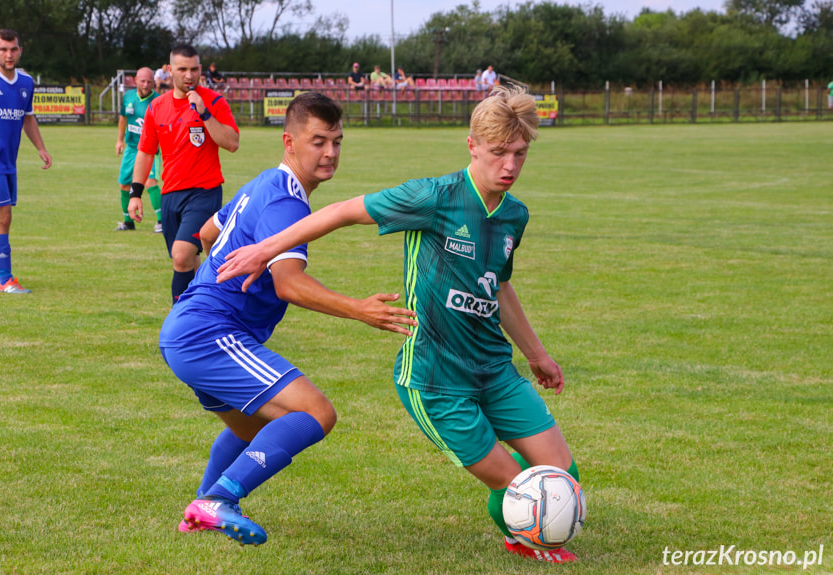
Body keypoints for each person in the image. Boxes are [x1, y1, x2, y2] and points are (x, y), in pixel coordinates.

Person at [216, 84, 581, 563]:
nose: (509, 166)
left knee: (563, 476)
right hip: (436, 379)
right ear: (472, 146)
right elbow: (343, 211)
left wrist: (536, 354)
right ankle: (524, 534)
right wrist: (267, 249)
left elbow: (500, 286)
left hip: (494, 370)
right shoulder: (433, 197)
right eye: (498, 153)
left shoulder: (514, 215)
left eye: (519, 153)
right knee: (519, 485)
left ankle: (530, 515)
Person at [159, 91, 417, 545]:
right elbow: (289, 284)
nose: (331, 152)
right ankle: (218, 500)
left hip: (188, 330)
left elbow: (207, 232)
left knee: (253, 427)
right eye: (318, 141)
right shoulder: (287, 204)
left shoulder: (263, 184)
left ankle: (199, 508)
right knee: (316, 413)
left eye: (337, 141)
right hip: (209, 332)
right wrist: (360, 309)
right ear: (289, 141)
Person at [128, 43, 239, 304]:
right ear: (169, 71)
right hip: (170, 194)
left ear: (200, 69)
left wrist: (204, 113)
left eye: (193, 69)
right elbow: (145, 153)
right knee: (189, 261)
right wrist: (135, 194)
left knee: (180, 255)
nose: (189, 76)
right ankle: (209, 311)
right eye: (182, 69)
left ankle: (179, 322)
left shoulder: (214, 101)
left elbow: (232, 143)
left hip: (205, 192)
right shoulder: (156, 107)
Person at [0, 29, 52, 294]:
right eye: (3, 49)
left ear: (20, 50)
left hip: (7, 162)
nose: (9, 54)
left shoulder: (26, 82)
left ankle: (5, 279)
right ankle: (5, 280)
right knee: (3, 216)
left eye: (13, 49)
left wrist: (40, 147)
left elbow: (27, 117)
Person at [115, 67, 162, 232]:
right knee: (124, 184)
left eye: (149, 81)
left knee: (150, 182)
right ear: (135, 80)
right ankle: (128, 222)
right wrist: (119, 140)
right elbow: (123, 119)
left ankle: (162, 222)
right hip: (131, 148)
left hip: (149, 149)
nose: (146, 84)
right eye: (143, 81)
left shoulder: (158, 101)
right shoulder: (128, 96)